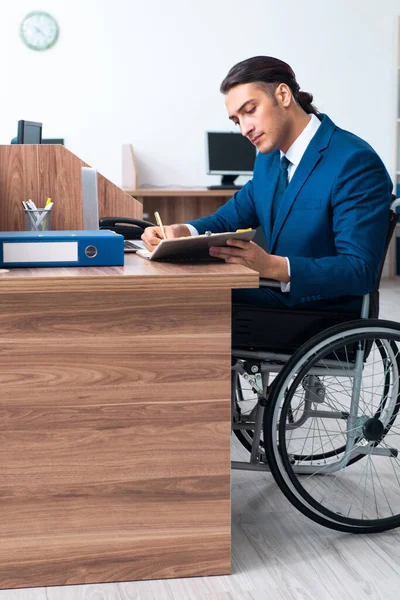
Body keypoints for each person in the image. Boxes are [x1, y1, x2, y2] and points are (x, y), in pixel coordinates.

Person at [142, 56, 393, 312]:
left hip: (317, 310)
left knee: (186, 304)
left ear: (283, 95)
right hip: (272, 296)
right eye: (237, 120)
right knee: (176, 292)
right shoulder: (269, 159)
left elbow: (359, 270)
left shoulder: (354, 161)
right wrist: (180, 232)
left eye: (250, 110)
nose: (244, 129)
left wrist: (271, 265)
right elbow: (228, 220)